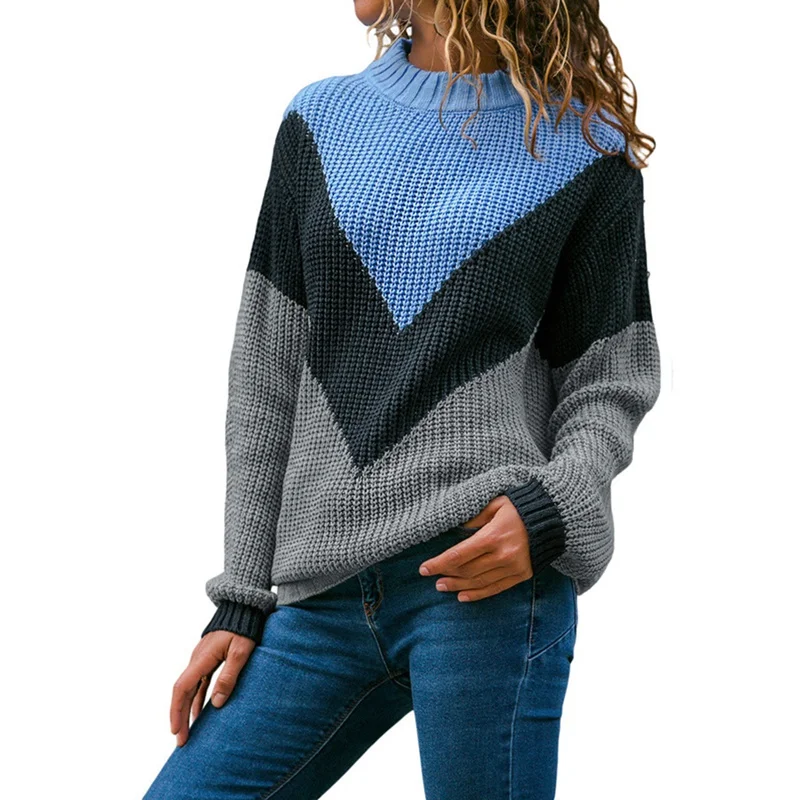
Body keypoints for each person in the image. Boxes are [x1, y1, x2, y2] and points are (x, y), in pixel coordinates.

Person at [143, 1, 660, 797]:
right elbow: (265, 376)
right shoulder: (319, 121)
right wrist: (240, 599)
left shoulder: (584, 146)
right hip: (319, 600)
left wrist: (550, 507)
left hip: (484, 581)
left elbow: (609, 379)